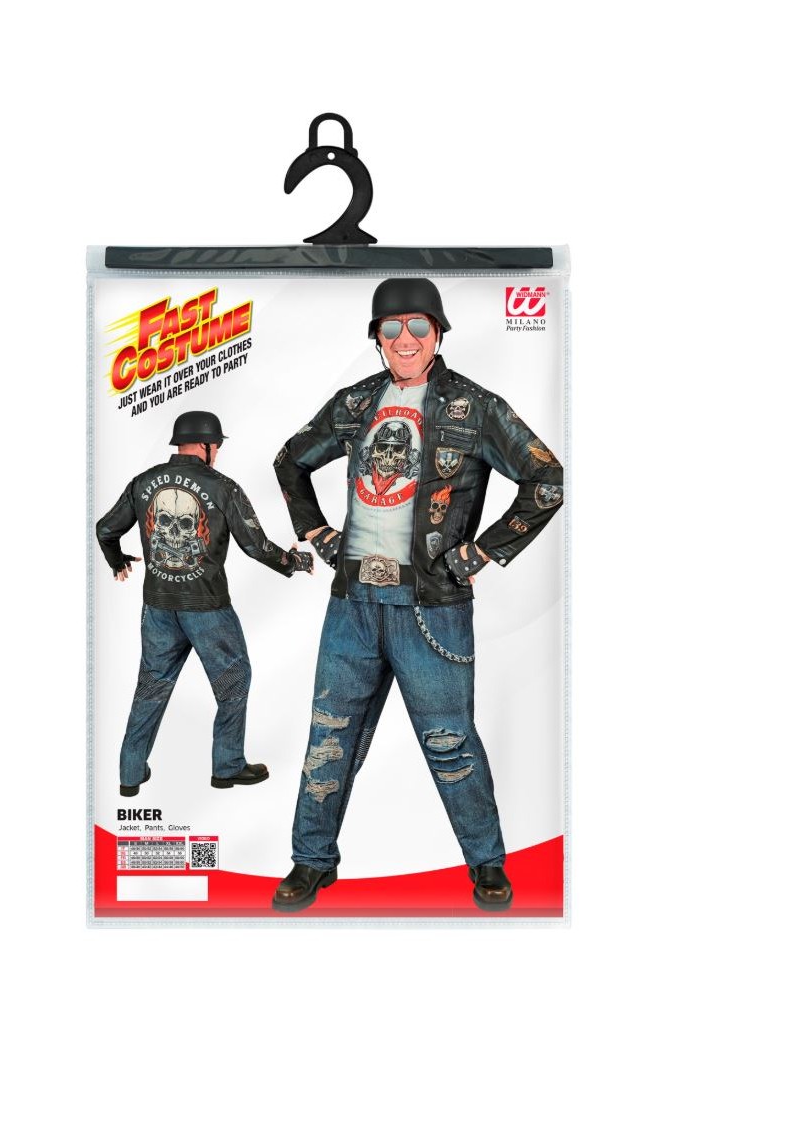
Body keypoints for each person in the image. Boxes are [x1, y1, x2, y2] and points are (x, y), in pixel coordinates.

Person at [271, 278, 563, 912]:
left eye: (419, 327)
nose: (405, 339)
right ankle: (310, 860)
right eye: (392, 328)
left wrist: (482, 552)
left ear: (438, 333)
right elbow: (290, 460)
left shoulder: (475, 407)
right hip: (351, 607)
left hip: (433, 609)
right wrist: (317, 534)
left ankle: (487, 863)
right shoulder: (355, 403)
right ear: (376, 337)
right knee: (328, 737)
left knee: (450, 741)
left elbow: (547, 480)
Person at [96, 410, 312, 795]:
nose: (219, 452)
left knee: (151, 687)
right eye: (218, 446)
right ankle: (227, 767)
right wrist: (293, 562)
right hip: (207, 609)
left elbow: (105, 529)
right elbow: (256, 547)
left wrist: (117, 560)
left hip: (157, 607)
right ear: (206, 445)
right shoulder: (222, 487)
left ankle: (130, 775)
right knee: (234, 681)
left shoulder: (142, 483)